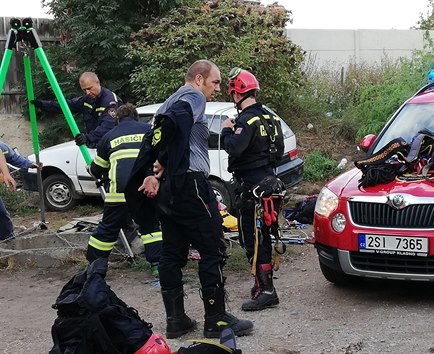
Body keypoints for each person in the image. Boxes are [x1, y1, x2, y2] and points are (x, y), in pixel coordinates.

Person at [129, 60, 253, 339]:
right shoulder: (192, 97)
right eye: (216, 82)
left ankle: (176, 320)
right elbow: (180, 118)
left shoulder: (165, 104)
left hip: (169, 189)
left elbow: (157, 137)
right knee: (213, 249)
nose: (218, 89)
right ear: (199, 79)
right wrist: (169, 161)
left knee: (172, 252)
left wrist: (157, 167)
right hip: (191, 184)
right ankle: (216, 320)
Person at [220, 67, 285, 311]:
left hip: (252, 188)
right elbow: (277, 152)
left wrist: (227, 129)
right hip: (270, 183)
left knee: (253, 239)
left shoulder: (246, 120)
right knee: (264, 236)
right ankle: (262, 286)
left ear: (237, 94)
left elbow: (234, 148)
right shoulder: (270, 118)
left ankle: (266, 290)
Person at [86, 103, 163, 275]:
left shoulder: (108, 137)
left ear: (117, 120)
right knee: (151, 227)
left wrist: (89, 168)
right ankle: (157, 266)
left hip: (118, 193)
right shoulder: (148, 130)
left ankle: (94, 266)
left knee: (107, 229)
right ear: (136, 117)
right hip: (144, 189)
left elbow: (97, 170)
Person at [32, 72, 122, 148]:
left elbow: (107, 127)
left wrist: (88, 137)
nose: (87, 93)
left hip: (112, 147)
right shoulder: (87, 99)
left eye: (90, 88)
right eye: (84, 90)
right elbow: (66, 106)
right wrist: (42, 104)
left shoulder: (110, 101)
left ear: (97, 82)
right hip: (95, 147)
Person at [0, 141, 40, 240]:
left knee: (2, 214)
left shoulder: (2, 147)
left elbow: (13, 158)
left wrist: (30, 164)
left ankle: (7, 240)